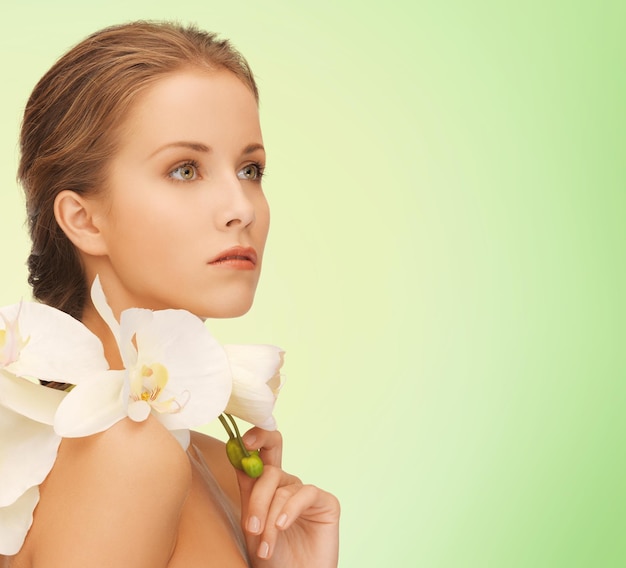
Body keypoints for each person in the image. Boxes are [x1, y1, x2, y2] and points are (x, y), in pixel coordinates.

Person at [0, 21, 340, 567]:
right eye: (185, 169)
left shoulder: (216, 466)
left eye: (250, 169)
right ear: (84, 220)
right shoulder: (127, 455)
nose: (243, 208)